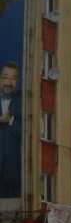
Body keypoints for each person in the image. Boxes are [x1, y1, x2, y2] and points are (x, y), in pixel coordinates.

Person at [0, 62, 21, 198]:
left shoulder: (23, 102)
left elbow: (29, 132)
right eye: (5, 77)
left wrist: (11, 120)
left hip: (13, 176)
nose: (9, 82)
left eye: (13, 78)